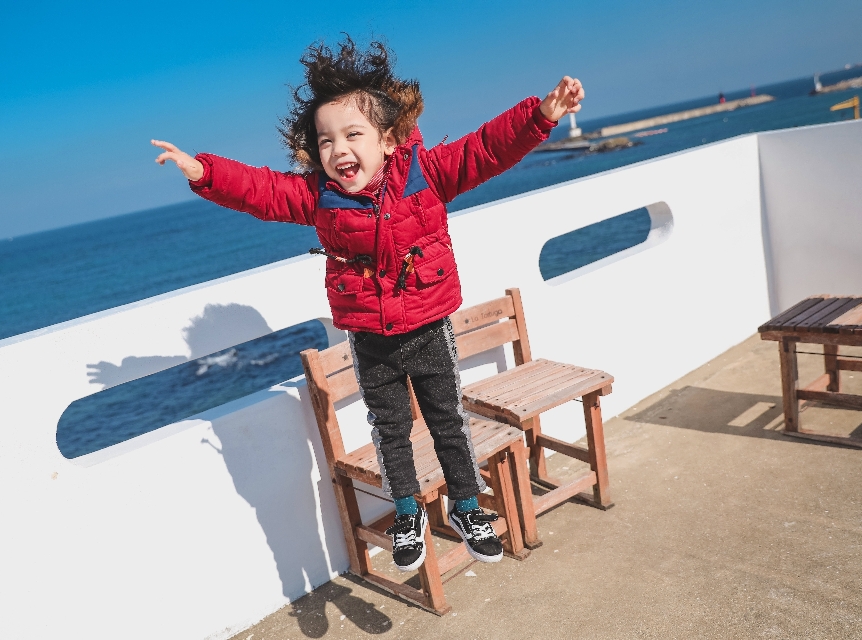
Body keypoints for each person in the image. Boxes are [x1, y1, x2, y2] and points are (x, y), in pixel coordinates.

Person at [152, 36, 584, 573]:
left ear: (387, 138)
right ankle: (408, 512)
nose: (338, 149)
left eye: (352, 134)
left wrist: (541, 115)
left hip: (428, 326)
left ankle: (467, 506)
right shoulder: (319, 197)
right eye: (326, 140)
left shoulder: (428, 174)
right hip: (370, 336)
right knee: (390, 428)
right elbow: (262, 191)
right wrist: (205, 173)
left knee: (447, 418)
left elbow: (487, 149)